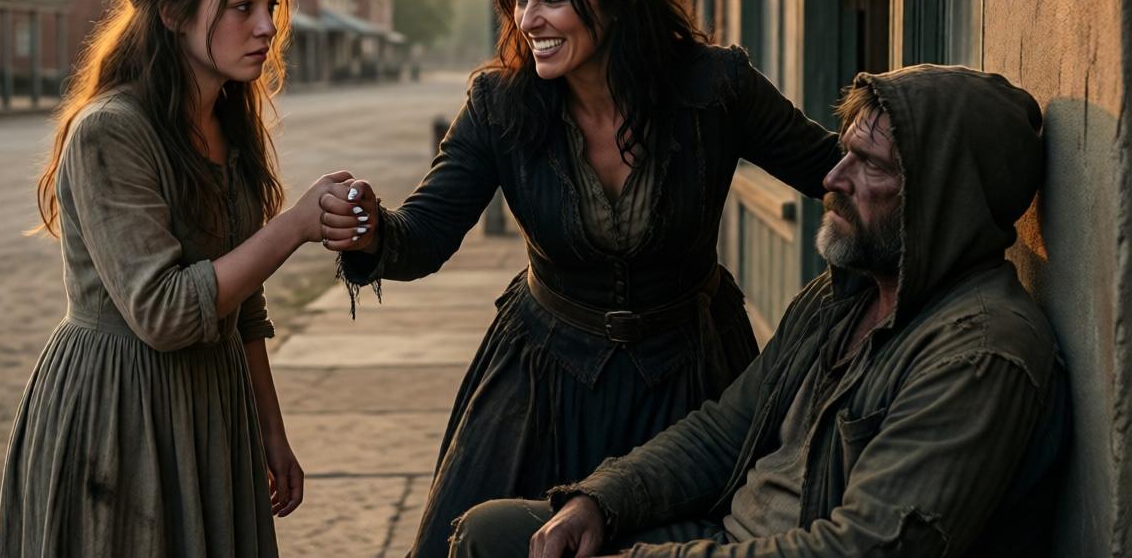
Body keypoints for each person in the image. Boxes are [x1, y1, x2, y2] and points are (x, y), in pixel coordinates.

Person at [318, 0, 840, 557]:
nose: (528, 19)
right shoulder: (498, 104)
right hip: (541, 382)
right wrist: (369, 232)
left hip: (691, 376)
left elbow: (834, 173)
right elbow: (423, 235)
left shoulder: (716, 87)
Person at [449, 65, 1069, 558]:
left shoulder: (981, 351)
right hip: (725, 533)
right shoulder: (843, 296)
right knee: (494, 532)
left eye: (871, 164)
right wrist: (600, 501)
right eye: (845, 151)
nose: (833, 176)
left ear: (943, 198)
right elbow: (724, 429)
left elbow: (863, 547)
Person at [0, 0, 353, 557]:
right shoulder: (111, 131)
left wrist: (270, 433)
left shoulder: (230, 125)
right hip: (118, 410)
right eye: (242, 6)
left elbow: (242, 306)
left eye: (271, 3)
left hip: (213, 404)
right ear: (171, 11)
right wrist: (296, 224)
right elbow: (161, 312)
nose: (268, 26)